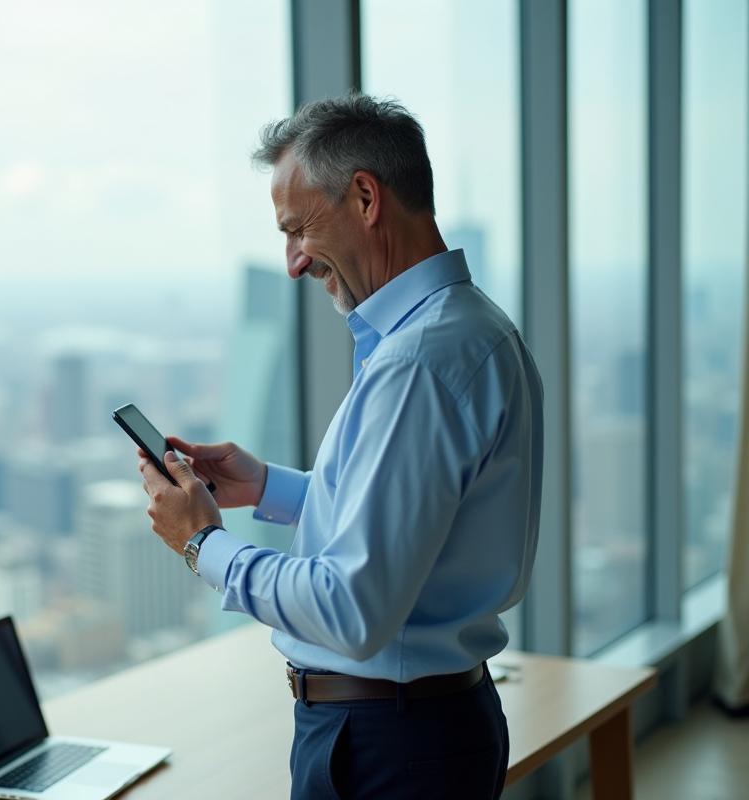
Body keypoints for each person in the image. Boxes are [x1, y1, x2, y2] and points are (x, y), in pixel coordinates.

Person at [136, 91, 543, 800]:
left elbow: (352, 608)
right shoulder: (467, 328)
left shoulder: (419, 361)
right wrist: (266, 486)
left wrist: (204, 544)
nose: (293, 262)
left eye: (298, 229)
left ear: (364, 197)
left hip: (390, 744)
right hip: (417, 730)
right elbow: (416, 522)